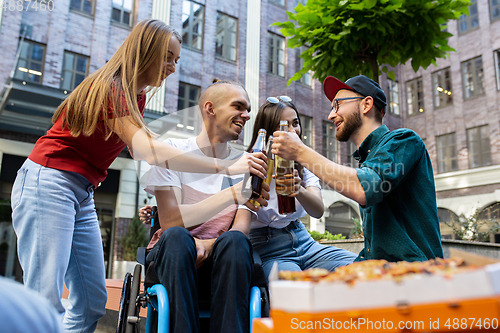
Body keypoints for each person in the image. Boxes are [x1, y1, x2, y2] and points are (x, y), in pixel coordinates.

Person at [10, 20, 266, 333]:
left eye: (176, 60)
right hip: (50, 179)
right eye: (167, 57)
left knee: (92, 301)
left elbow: (148, 150)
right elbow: (152, 152)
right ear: (145, 50)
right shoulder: (111, 86)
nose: (172, 67)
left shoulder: (137, 97)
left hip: (84, 190)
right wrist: (226, 168)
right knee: (44, 297)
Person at [272, 75, 443, 262]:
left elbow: (364, 188)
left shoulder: (404, 139)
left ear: (366, 104)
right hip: (381, 274)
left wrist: (300, 152)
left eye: (337, 105)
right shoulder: (368, 160)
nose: (330, 115)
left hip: (417, 277)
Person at [142, 79, 269, 333]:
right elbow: (171, 222)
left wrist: (206, 244)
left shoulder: (249, 163)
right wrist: (233, 194)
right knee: (177, 237)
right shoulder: (172, 153)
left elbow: (239, 231)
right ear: (210, 109)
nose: (247, 115)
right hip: (172, 261)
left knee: (235, 243)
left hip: (224, 264)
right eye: (238, 106)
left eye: (248, 109)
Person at [232, 97, 357, 279]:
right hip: (267, 246)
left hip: (304, 241)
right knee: (295, 287)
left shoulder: (303, 165)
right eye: (283, 126)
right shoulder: (250, 163)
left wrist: (299, 188)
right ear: (266, 131)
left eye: (295, 123)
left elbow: (318, 211)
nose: (292, 131)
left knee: (360, 265)